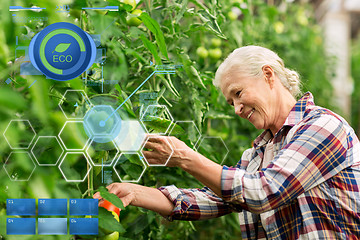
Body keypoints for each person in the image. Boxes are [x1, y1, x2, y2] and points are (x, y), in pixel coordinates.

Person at [94, 46, 360, 239]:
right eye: (231, 102)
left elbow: (266, 192)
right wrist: (133, 192)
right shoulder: (255, 157)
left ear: (268, 75)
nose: (236, 108)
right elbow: (211, 200)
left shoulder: (322, 126)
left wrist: (185, 157)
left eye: (238, 93)